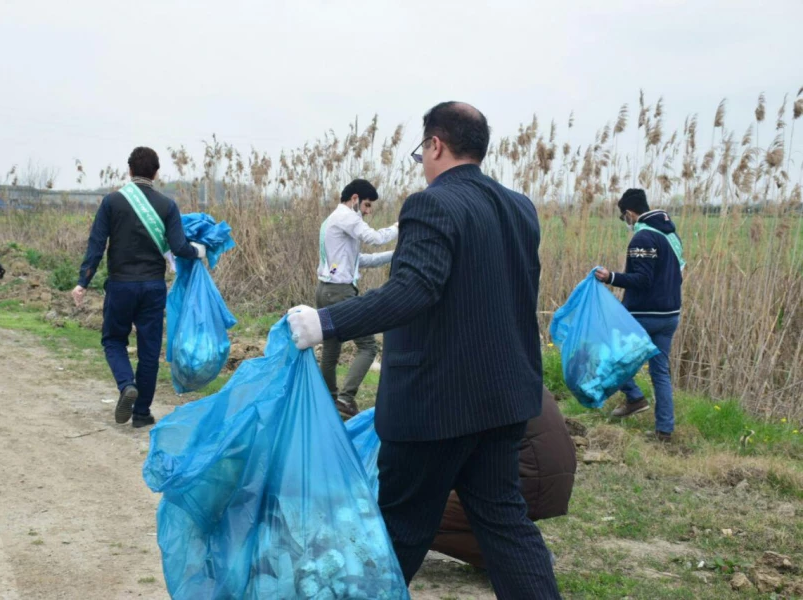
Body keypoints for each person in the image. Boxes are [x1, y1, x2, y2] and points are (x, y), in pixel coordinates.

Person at [288, 102, 561, 598]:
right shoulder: (520, 206)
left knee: (400, 531)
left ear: (435, 145)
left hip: (437, 405)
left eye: (421, 152)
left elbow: (412, 291)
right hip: (505, 400)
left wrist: (324, 322)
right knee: (505, 525)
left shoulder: (431, 203)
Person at [72, 147, 208, 428]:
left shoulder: (112, 202)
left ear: (130, 171)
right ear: (156, 173)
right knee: (148, 351)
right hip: (153, 287)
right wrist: (200, 252)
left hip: (121, 285)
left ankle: (126, 386)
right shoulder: (167, 206)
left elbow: (96, 246)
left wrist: (82, 282)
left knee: (113, 340)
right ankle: (142, 413)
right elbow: (180, 247)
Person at [431, 388, 576, 569]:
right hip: (552, 477)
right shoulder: (510, 365)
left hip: (526, 480)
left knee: (419, 517)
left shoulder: (458, 381)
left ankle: (524, 555)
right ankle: (519, 541)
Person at [595, 188, 684, 442]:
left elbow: (643, 280)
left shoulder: (642, 238)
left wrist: (610, 277)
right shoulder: (670, 235)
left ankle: (634, 397)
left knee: (608, 349)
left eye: (624, 217)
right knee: (660, 373)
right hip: (670, 314)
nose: (626, 222)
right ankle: (664, 431)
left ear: (630, 213)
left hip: (645, 314)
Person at [316, 178, 397, 417]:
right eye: (367, 205)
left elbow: (359, 261)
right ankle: (345, 399)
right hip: (340, 294)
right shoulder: (348, 217)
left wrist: (396, 254)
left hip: (324, 291)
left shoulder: (332, 220)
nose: (368, 212)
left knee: (331, 350)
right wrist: (401, 227)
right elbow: (375, 237)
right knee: (368, 346)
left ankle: (329, 402)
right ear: (355, 199)